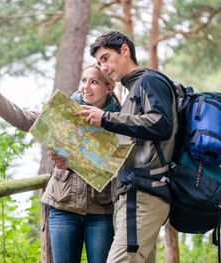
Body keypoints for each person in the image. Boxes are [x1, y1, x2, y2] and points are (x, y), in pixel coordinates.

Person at [0, 64, 120, 263]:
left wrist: (77, 160)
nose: (86, 87)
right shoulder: (66, 110)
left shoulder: (119, 119)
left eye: (94, 82)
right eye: (84, 80)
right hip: (62, 206)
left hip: (102, 210)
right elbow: (27, 119)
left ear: (109, 87)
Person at [72, 31, 178, 263]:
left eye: (106, 58)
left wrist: (107, 119)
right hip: (130, 197)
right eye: (100, 62)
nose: (104, 67)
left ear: (125, 50)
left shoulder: (149, 81)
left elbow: (161, 124)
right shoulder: (132, 93)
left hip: (142, 196)